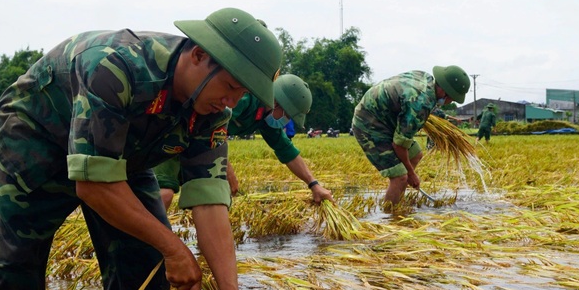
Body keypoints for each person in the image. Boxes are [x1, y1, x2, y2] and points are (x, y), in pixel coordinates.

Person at [0, 7, 279, 290]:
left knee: (146, 273)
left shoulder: (211, 112)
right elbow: (94, 185)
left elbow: (210, 202)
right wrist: (175, 249)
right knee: (20, 265)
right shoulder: (115, 65)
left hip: (120, 156)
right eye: (230, 86)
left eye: (241, 95)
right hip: (36, 138)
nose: (231, 102)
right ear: (198, 55)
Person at [155, 73, 333, 208]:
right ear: (277, 103)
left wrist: (314, 184)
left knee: (211, 199)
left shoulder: (266, 118)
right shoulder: (245, 98)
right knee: (164, 193)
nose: (286, 121)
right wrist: (226, 170)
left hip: (199, 146)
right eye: (287, 116)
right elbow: (210, 124)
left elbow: (287, 151)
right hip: (180, 131)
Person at [352, 65, 470, 206]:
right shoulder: (420, 103)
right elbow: (399, 145)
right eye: (452, 99)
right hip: (370, 124)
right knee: (401, 177)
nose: (450, 102)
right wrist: (411, 174)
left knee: (416, 154)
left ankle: (396, 195)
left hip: (386, 119)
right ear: (444, 91)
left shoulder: (425, 78)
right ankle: (390, 215)